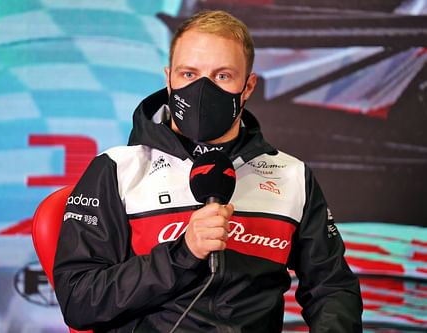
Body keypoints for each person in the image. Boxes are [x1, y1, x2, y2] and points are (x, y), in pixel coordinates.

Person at [53, 10, 363, 333]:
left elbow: (333, 289)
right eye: (188, 74)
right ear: (168, 78)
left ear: (248, 87)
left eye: (222, 76)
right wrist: (182, 253)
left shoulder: (292, 177)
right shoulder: (118, 170)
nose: (202, 88)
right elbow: (78, 298)